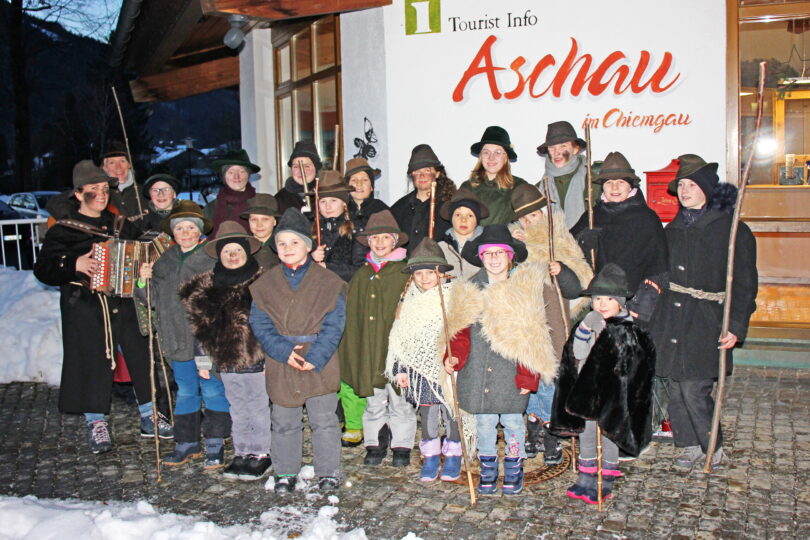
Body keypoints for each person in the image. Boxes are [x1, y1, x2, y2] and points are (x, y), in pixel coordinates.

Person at [33, 160, 171, 454]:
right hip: (86, 308)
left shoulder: (119, 225)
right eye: (93, 189)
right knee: (92, 360)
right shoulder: (64, 230)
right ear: (78, 193)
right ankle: (96, 422)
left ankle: (150, 415)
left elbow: (142, 249)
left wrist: (146, 264)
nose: (101, 194)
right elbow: (43, 269)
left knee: (140, 356)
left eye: (105, 189)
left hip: (125, 302)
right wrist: (74, 264)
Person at [648, 154, 758, 469]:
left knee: (695, 388)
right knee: (676, 387)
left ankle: (712, 446)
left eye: (692, 185)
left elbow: (745, 284)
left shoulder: (732, 231)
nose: (684, 191)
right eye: (681, 185)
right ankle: (689, 446)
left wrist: (735, 325)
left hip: (707, 320)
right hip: (673, 318)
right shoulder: (671, 230)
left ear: (707, 189)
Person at [443, 225, 552, 496]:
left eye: (499, 253)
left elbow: (532, 337)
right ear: (480, 257)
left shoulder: (523, 290)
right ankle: (488, 467)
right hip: (479, 369)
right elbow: (460, 331)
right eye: (488, 253)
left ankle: (514, 465)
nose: (494, 258)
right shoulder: (469, 288)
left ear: (510, 256)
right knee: (485, 423)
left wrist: (528, 376)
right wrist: (453, 356)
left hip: (511, 372)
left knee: (514, 423)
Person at [249, 208, 347, 493]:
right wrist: (281, 350)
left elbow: (335, 323)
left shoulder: (329, 282)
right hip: (282, 359)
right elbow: (259, 322)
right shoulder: (265, 284)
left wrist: (317, 356)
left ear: (308, 246)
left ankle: (328, 471)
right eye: (281, 243)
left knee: (324, 420)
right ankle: (285, 471)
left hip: (319, 358)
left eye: (294, 242)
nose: (288, 248)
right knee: (283, 420)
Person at [551, 264, 655, 504]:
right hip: (587, 394)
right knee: (586, 436)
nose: (603, 304)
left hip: (612, 396)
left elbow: (633, 364)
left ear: (621, 302)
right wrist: (586, 330)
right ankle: (586, 476)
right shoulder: (586, 324)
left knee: (609, 436)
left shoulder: (628, 330)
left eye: (609, 299)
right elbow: (576, 354)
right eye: (598, 298)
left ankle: (606, 478)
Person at [137, 202, 229, 470]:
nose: (185, 233)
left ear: (200, 231)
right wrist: (143, 281)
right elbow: (152, 300)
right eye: (179, 228)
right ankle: (187, 442)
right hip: (176, 340)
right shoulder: (164, 260)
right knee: (186, 390)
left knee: (211, 388)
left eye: (191, 228)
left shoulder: (211, 259)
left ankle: (216, 441)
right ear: (173, 232)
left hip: (205, 342)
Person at [180, 221, 273, 481]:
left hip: (257, 359)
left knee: (258, 407)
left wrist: (271, 360)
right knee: (238, 407)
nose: (233, 256)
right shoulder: (208, 289)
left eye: (238, 250)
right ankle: (242, 451)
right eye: (227, 251)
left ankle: (261, 452)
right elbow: (200, 330)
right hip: (226, 361)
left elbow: (274, 324)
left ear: (247, 252)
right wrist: (203, 363)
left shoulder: (262, 283)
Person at [508, 183, 593, 465]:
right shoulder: (515, 240)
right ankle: (534, 425)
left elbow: (581, 278)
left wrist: (561, 269)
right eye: (524, 217)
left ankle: (550, 428)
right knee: (531, 370)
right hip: (527, 315)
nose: (529, 222)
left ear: (543, 213)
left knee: (550, 373)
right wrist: (519, 248)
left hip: (553, 313)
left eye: (533, 215)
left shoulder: (558, 236)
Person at [339, 210, 415, 466]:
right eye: (374, 238)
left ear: (395, 241)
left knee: (400, 401)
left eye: (385, 237)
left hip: (396, 350)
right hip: (369, 349)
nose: (380, 242)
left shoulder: (405, 273)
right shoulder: (362, 275)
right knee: (373, 401)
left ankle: (402, 445)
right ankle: (374, 443)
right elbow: (353, 316)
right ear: (368, 242)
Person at [385, 238, 462, 482]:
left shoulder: (454, 298)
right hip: (421, 371)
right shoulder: (409, 301)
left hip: (449, 368)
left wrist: (456, 356)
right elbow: (400, 338)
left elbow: (462, 333)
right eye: (419, 273)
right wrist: (400, 369)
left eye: (430, 272)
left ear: (441, 274)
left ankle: (454, 454)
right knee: (428, 414)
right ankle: (430, 456)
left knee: (452, 412)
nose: (425, 278)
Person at [570, 151, 667, 318]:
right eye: (609, 182)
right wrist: (582, 241)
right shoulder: (592, 216)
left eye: (621, 182)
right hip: (600, 302)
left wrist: (643, 306)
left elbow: (659, 267)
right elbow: (567, 249)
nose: (614, 188)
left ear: (631, 186)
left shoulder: (646, 218)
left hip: (634, 302)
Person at [390, 144, 455, 254]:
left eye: (427, 170)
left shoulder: (451, 206)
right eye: (417, 171)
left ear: (437, 173)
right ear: (411, 175)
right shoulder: (398, 209)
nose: (422, 176)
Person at [536, 121, 601, 228]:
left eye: (563, 146)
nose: (556, 152)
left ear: (575, 149)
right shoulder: (539, 189)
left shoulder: (594, 182)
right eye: (552, 147)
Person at [459, 126, 527, 226]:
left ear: (506, 156)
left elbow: (531, 222)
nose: (491, 157)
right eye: (486, 152)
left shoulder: (519, 187)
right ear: (480, 156)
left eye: (497, 152)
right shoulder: (467, 188)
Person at [311, 171, 366, 282]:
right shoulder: (310, 228)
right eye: (323, 202)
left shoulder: (357, 229)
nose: (328, 206)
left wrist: (328, 267)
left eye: (333, 200)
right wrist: (310, 257)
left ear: (344, 203)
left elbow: (362, 270)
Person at [437, 188, 488, 281]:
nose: (463, 220)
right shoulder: (440, 247)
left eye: (470, 215)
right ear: (451, 218)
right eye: (458, 215)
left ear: (477, 220)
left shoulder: (487, 246)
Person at [204, 149, 260, 235]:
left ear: (248, 175)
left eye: (241, 171)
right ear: (224, 176)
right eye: (230, 172)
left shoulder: (260, 203)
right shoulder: (210, 209)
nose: (236, 177)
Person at [101, 140, 149, 219]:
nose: (118, 167)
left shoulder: (146, 192)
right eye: (112, 162)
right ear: (105, 168)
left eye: (122, 161)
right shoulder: (99, 195)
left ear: (129, 164)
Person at [344, 157, 389, 232]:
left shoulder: (382, 210)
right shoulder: (340, 210)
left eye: (364, 180)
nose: (359, 184)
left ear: (371, 187)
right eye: (354, 180)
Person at [275, 141, 321, 214]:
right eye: (296, 166)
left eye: (307, 166)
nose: (301, 171)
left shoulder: (324, 195)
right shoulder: (280, 198)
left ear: (316, 168)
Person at [240, 193, 281, 269]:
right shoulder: (241, 246)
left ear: (274, 221)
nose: (259, 225)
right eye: (254, 219)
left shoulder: (283, 247)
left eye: (265, 219)